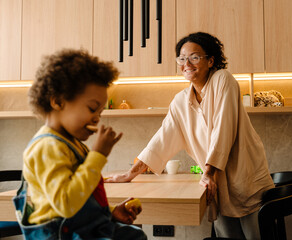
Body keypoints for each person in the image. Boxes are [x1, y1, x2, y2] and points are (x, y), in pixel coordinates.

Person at [106, 32, 274, 239]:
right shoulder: (180, 101)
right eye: (182, 58)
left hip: (244, 176)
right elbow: (161, 140)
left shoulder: (224, 80)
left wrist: (209, 172)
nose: (187, 63)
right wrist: (130, 174)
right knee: (227, 236)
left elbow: (223, 130)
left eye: (194, 57)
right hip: (214, 182)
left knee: (254, 236)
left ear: (211, 60)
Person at [20, 49, 147, 239]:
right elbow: (66, 204)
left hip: (82, 229)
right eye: (92, 109)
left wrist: (109, 212)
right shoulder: (47, 147)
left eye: (100, 113)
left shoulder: (72, 144)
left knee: (134, 235)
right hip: (63, 234)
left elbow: (82, 195)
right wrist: (98, 156)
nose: (96, 119)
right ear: (57, 101)